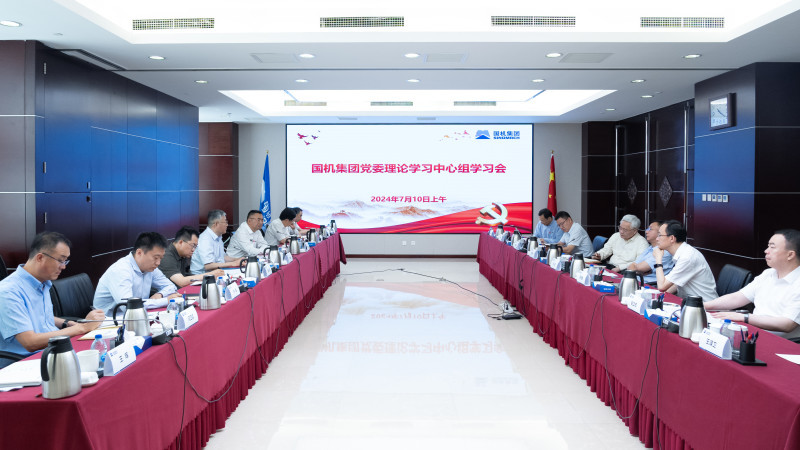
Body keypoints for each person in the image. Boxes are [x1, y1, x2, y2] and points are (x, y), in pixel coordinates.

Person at [0, 232, 104, 367]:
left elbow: (39, 315)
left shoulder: (43, 282)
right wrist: (82, 327)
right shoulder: (8, 292)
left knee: (103, 355)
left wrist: (67, 323)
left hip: (53, 350)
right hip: (26, 362)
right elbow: (30, 343)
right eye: (60, 260)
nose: (64, 266)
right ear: (40, 258)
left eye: (65, 261)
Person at [705, 230, 800, 339]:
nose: (766, 251)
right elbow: (738, 297)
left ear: (790, 255)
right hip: (754, 334)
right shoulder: (768, 274)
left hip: (783, 343)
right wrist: (704, 305)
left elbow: (787, 324)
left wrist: (745, 317)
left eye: (772, 247)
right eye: (768, 246)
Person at [93, 232, 182, 316]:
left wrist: (160, 294)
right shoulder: (121, 270)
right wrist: (166, 300)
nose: (158, 263)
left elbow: (171, 286)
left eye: (161, 258)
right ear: (139, 253)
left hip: (138, 315)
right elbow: (129, 306)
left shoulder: (150, 268)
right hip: (110, 320)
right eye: (155, 258)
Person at [653, 220, 718, 301]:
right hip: (688, 302)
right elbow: (676, 283)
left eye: (659, 235)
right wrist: (660, 297)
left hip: (704, 305)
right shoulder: (682, 252)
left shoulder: (687, 257)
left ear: (672, 238)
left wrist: (658, 259)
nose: (657, 239)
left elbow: (662, 286)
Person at [160, 226, 225, 288]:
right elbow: (181, 281)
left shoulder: (182, 254)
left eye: (195, 247)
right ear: (181, 242)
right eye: (193, 245)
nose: (193, 250)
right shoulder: (166, 257)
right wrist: (210, 275)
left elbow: (186, 276)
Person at [190, 210, 245, 275]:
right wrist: (233, 263)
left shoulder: (218, 237)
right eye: (225, 222)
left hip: (216, 272)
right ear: (216, 224)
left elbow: (222, 258)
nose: (227, 225)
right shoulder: (205, 239)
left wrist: (238, 260)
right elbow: (208, 266)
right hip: (201, 276)